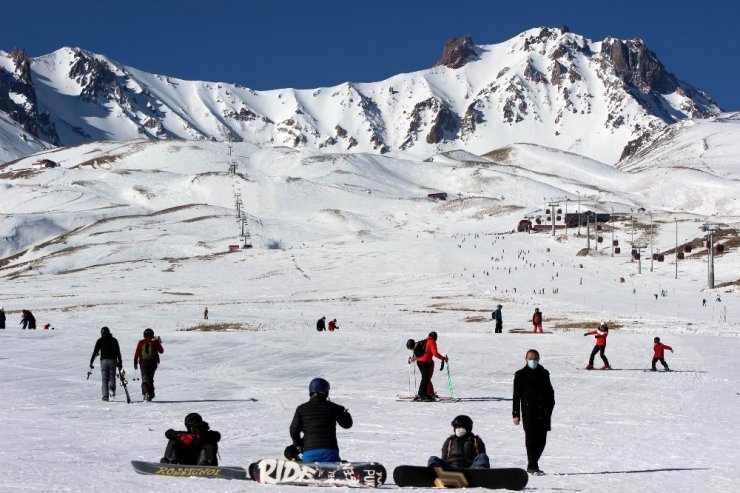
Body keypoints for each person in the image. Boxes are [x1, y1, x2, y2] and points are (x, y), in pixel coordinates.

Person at [512, 349, 555, 476]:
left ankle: (532, 464)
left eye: (535, 358)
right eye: (530, 358)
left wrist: (550, 406)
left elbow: (550, 392)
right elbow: (516, 396)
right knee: (531, 440)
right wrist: (516, 414)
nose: (533, 361)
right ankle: (533, 466)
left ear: (539, 359)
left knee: (541, 441)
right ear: (525, 359)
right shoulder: (520, 374)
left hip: (544, 412)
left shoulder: (544, 373)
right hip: (529, 412)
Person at [289, 377, 352, 462]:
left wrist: (299, 446)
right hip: (330, 454)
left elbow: (293, 431)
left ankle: (300, 466)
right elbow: (347, 424)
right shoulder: (334, 407)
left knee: (288, 451)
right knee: (342, 462)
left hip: (309, 455)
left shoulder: (301, 409)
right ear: (326, 392)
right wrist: (344, 412)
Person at [90, 326, 123, 401]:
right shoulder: (114, 340)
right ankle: (112, 392)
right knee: (112, 377)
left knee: (104, 379)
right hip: (113, 360)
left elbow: (95, 352)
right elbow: (118, 352)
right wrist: (120, 362)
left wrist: (91, 362)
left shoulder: (100, 340)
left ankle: (105, 395)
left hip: (103, 361)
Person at [413, 331, 448, 401]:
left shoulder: (425, 340)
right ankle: (421, 394)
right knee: (425, 379)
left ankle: (425, 394)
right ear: (435, 337)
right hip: (425, 362)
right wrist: (443, 358)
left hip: (419, 361)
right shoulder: (431, 342)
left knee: (425, 378)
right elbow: (435, 353)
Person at [133, 328, 164, 401]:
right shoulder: (155, 342)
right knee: (150, 379)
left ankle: (146, 393)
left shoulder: (141, 342)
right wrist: (158, 342)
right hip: (153, 363)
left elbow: (137, 352)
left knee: (144, 379)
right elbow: (161, 351)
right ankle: (151, 394)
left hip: (143, 363)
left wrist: (135, 361)